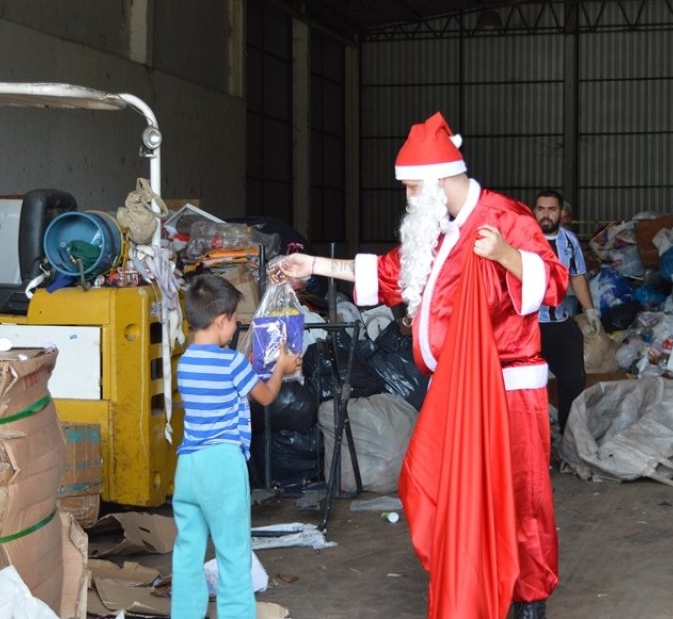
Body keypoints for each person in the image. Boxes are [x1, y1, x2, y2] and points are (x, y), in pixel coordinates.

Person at [281, 112, 568, 619]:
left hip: (508, 387)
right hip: (453, 388)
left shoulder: (507, 217)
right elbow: (388, 274)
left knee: (521, 494)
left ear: (439, 180)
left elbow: (554, 284)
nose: (408, 197)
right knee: (436, 485)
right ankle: (470, 579)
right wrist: (315, 265)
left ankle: (528, 597)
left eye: (413, 187)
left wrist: (506, 255)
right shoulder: (433, 231)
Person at [171, 274, 301, 619]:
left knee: (187, 553)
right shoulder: (231, 362)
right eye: (233, 321)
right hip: (222, 467)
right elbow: (266, 396)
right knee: (233, 554)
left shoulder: (185, 362)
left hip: (188, 467)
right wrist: (281, 367)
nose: (235, 328)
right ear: (220, 321)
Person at [533, 189, 600, 434]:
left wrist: (590, 310)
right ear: (534, 212)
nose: (546, 214)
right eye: (541, 209)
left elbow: (577, 276)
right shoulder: (522, 238)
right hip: (529, 324)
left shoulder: (569, 241)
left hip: (559, 319)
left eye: (552, 209)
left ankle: (569, 434)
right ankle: (530, 437)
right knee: (529, 381)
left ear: (561, 213)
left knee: (573, 379)